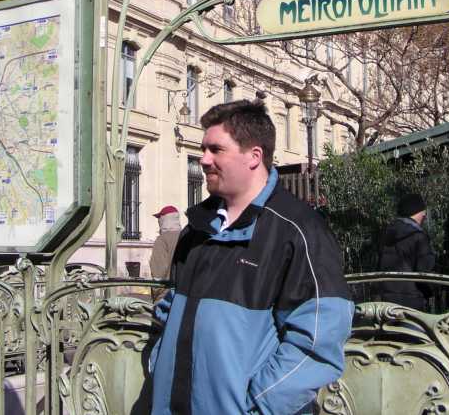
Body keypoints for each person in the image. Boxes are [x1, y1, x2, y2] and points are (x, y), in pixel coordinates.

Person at [150, 100, 353, 415]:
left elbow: (316, 344)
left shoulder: (299, 230)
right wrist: (158, 363)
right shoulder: (195, 229)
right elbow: (171, 310)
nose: (204, 159)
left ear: (254, 156)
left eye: (216, 150)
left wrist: (257, 406)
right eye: (203, 149)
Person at [375, 192, 436, 310]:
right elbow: (425, 273)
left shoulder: (385, 234)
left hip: (386, 303)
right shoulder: (418, 236)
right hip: (412, 303)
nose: (424, 215)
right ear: (418, 212)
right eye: (423, 211)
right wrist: (430, 292)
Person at [149, 205, 182, 281]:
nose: (158, 221)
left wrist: (156, 285)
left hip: (169, 285)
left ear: (164, 219)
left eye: (159, 218)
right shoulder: (187, 236)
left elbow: (158, 272)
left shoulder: (162, 239)